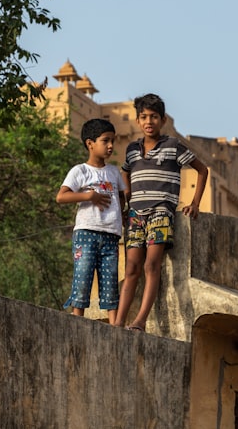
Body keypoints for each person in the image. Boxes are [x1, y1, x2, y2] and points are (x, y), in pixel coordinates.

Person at [118, 93, 208, 332]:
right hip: (136, 212)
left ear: (163, 120)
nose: (149, 122)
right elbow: (124, 171)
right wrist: (126, 197)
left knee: (151, 265)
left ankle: (140, 321)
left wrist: (195, 203)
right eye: (144, 117)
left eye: (154, 117)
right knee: (131, 268)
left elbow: (202, 170)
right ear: (138, 121)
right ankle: (117, 323)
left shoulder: (172, 146)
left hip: (161, 210)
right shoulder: (132, 150)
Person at [57, 118, 129, 325]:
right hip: (86, 232)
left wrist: (123, 211)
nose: (110, 146)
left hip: (111, 236)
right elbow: (61, 197)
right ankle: (77, 321)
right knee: (83, 276)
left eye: (112, 141)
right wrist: (89, 197)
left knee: (110, 282)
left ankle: (115, 326)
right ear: (90, 143)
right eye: (105, 140)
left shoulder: (114, 172)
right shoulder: (80, 171)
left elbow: (123, 195)